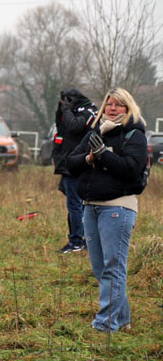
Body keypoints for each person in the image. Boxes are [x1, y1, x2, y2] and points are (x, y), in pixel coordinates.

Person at [66, 87, 147, 333]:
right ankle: (122, 319)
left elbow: (131, 168)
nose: (112, 108)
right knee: (100, 268)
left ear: (127, 108)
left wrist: (103, 156)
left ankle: (105, 324)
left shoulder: (134, 135)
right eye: (109, 104)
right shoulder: (94, 132)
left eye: (118, 105)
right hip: (90, 207)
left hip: (118, 207)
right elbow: (70, 162)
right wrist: (89, 159)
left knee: (114, 265)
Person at [52, 88, 98, 254]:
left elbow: (74, 127)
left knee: (76, 205)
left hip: (77, 166)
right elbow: (61, 125)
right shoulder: (74, 111)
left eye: (66, 101)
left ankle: (77, 241)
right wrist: (61, 108)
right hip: (69, 165)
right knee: (77, 204)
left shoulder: (86, 111)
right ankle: (81, 239)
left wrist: (66, 108)